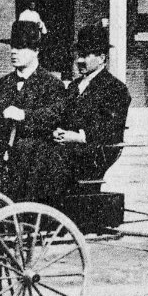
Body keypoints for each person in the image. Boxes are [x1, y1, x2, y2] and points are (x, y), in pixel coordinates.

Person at [33, 28, 132, 202]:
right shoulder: (74, 86)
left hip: (96, 151)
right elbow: (60, 114)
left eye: (85, 55)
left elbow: (112, 127)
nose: (79, 60)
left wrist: (78, 137)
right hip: (68, 147)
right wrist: (56, 131)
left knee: (52, 157)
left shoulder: (115, 89)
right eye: (78, 55)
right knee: (33, 148)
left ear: (102, 58)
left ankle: (48, 208)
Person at [0, 17, 68, 203]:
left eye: (21, 47)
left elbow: (55, 115)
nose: (13, 52)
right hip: (1, 148)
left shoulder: (52, 84)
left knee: (25, 152)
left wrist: (23, 115)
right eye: (12, 46)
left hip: (37, 154)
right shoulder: (2, 83)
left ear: (36, 50)